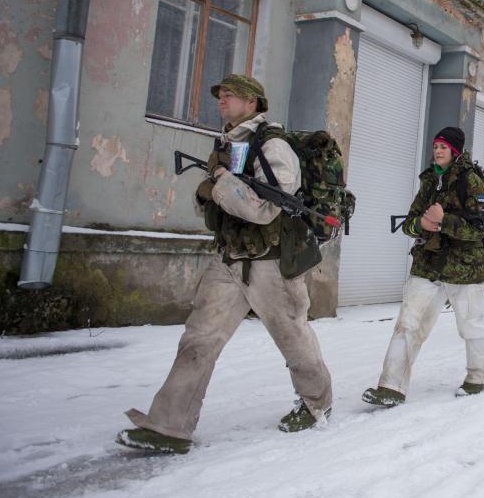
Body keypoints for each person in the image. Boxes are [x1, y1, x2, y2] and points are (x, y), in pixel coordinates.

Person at [116, 74, 333, 454]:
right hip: (229, 258)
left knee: (294, 338)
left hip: (270, 263)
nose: (222, 100)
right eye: (221, 95)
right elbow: (221, 205)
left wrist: (217, 182)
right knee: (198, 339)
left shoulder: (274, 146)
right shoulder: (228, 144)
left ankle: (317, 402)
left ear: (253, 103)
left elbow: (263, 210)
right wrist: (207, 193)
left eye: (231, 95)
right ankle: (169, 426)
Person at [362, 127, 484, 407]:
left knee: (470, 327)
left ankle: (477, 376)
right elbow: (410, 221)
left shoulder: (472, 182)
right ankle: (391, 386)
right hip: (428, 264)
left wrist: (445, 221)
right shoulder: (430, 179)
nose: (438, 150)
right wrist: (420, 224)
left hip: (465, 269)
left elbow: (480, 228)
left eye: (444, 146)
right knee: (408, 323)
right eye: (435, 146)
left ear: (455, 150)